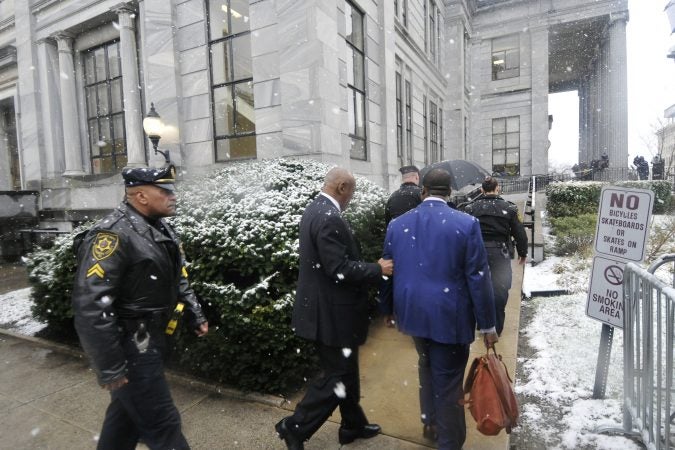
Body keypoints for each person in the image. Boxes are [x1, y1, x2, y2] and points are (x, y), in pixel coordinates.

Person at [71, 165, 208, 450]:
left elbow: (177, 277)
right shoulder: (111, 236)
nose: (174, 196)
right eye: (165, 191)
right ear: (141, 196)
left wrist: (195, 313)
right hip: (131, 346)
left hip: (150, 340)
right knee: (163, 424)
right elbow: (91, 306)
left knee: (123, 422)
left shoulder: (159, 227)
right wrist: (109, 366)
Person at [275, 168, 394, 450]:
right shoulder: (328, 217)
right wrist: (377, 269)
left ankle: (352, 425)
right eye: (351, 192)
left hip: (327, 311)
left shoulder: (314, 210)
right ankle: (294, 427)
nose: (351, 198)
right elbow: (337, 269)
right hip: (331, 314)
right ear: (341, 187)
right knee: (337, 376)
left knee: (347, 370)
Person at [382, 168, 498, 450]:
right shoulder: (466, 224)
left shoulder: (397, 225)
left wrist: (387, 309)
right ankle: (449, 442)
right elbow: (478, 277)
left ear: (423, 190)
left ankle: (431, 421)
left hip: (413, 313)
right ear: (449, 192)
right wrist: (488, 325)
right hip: (449, 317)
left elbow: (388, 270)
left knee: (427, 367)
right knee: (447, 383)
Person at [463, 176, 527, 336]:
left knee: (477, 287)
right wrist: (523, 252)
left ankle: (481, 323)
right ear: (497, 188)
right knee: (500, 288)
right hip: (500, 253)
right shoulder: (509, 209)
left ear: (482, 190)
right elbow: (520, 233)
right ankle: (496, 327)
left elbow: (464, 232)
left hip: (477, 253)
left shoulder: (471, 208)